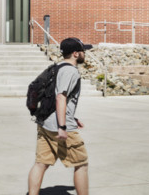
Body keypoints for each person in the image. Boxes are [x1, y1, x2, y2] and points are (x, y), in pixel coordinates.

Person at [27, 37, 91, 195]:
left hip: (45, 122)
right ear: (76, 54)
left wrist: (72, 117)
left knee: (41, 163)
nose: (85, 54)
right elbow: (60, 97)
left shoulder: (56, 67)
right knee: (81, 164)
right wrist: (62, 126)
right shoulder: (70, 71)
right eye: (83, 51)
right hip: (59, 127)